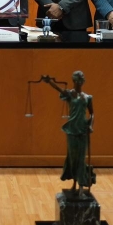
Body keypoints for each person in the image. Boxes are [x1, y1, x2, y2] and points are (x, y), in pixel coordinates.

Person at [45, 71, 95, 199]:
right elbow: (59, 88)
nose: (80, 81)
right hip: (71, 129)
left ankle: (82, 186)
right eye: (78, 79)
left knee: (81, 158)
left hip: (82, 129)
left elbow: (92, 113)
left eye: (82, 79)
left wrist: (90, 125)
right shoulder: (70, 94)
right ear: (74, 81)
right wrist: (49, 81)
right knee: (72, 157)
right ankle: (74, 182)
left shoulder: (88, 97)